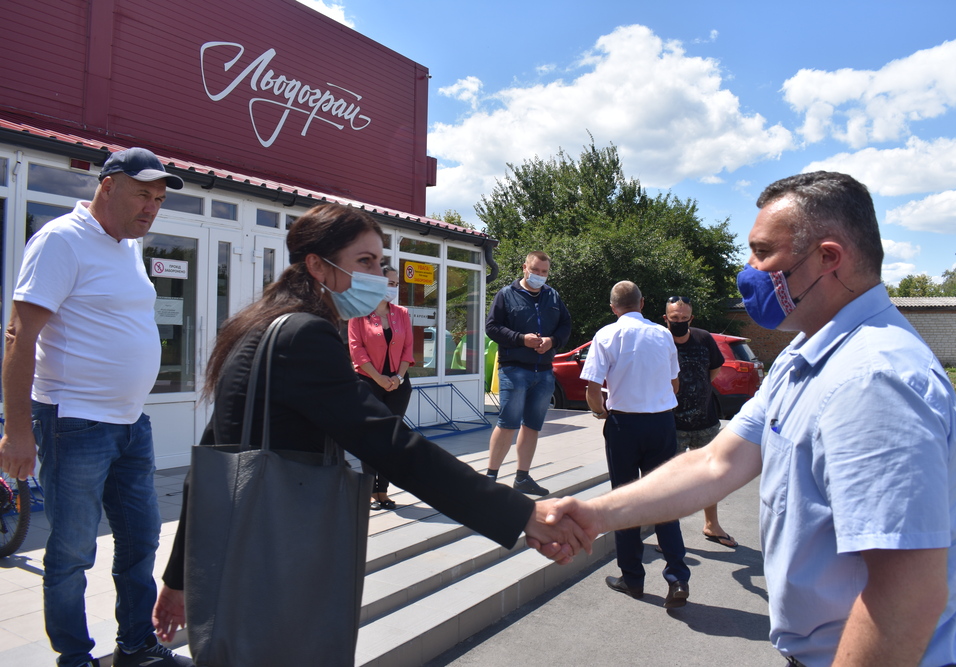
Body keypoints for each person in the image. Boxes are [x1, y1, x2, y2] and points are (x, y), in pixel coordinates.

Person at [546, 172, 956, 667]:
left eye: (762, 252)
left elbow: (905, 598)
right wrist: (595, 515)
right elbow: (716, 463)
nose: (749, 269)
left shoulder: (871, 380)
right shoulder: (808, 354)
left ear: (829, 258)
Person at [151, 204, 590, 661]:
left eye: (380, 262)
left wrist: (180, 576)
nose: (378, 274)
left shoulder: (259, 327)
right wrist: (521, 514)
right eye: (364, 261)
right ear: (317, 264)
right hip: (279, 561)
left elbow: (207, 460)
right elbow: (392, 446)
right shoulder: (305, 336)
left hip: (239, 558)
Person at [0, 148, 192, 667]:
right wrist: (17, 432)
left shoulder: (126, 245)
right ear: (107, 186)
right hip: (74, 422)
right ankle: (75, 657)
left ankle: (135, 644)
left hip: (131, 423)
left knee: (140, 541)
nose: (152, 207)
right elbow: (20, 335)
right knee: (71, 552)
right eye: (142, 194)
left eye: (158, 198)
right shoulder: (62, 240)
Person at [580, 281, 690, 609]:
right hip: (661, 424)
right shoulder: (662, 334)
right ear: (642, 303)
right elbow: (675, 382)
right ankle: (678, 576)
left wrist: (601, 412)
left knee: (625, 501)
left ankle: (632, 578)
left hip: (624, 424)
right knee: (664, 500)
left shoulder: (606, 335)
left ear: (614, 308)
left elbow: (592, 388)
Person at [484, 251, 571, 496]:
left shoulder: (553, 295)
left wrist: (552, 340)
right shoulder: (506, 294)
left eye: (544, 272)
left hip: (543, 372)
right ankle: (490, 478)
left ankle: (522, 477)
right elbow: (491, 327)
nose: (540, 276)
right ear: (525, 267)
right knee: (508, 424)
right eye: (536, 271)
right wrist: (521, 340)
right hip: (514, 370)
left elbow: (566, 325)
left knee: (532, 426)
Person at [664, 295, 737, 549]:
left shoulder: (703, 338)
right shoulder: (660, 341)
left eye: (684, 318)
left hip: (705, 421)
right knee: (670, 480)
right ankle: (668, 533)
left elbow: (714, 369)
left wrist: (698, 389)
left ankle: (711, 524)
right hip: (671, 424)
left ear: (691, 318)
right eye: (675, 318)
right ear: (666, 319)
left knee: (710, 476)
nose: (680, 322)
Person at [348, 264, 413, 510]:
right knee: (370, 438)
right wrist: (378, 378)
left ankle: (383, 491)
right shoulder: (358, 313)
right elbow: (356, 350)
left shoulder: (402, 313)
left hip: (398, 383)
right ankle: (369, 492)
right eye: (389, 283)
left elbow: (408, 348)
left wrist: (397, 377)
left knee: (390, 438)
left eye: (396, 284)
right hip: (368, 382)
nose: (393, 288)